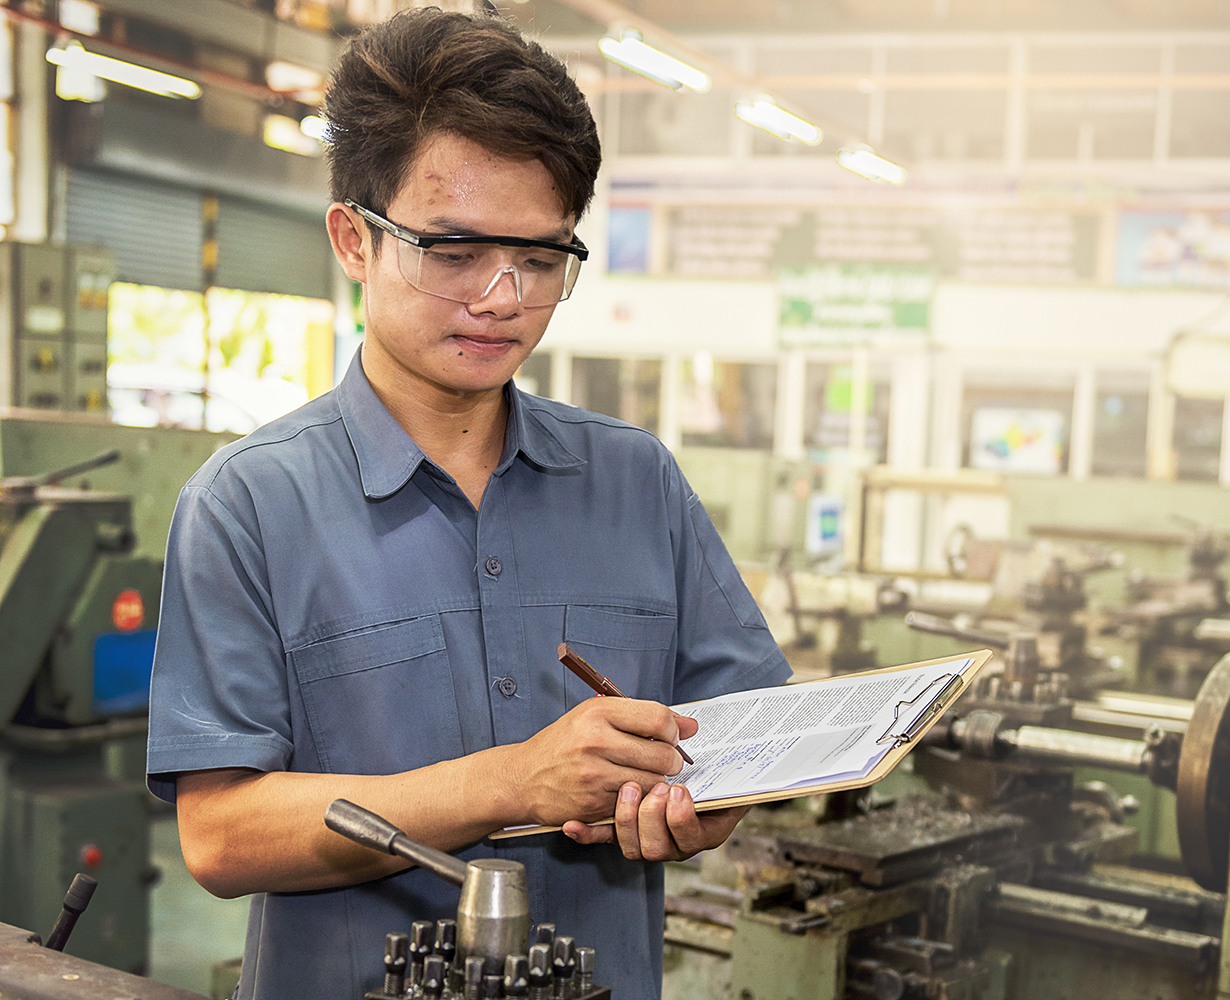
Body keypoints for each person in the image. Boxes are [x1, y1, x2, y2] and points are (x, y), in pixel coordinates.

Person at [145, 10, 790, 1000]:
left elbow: (741, 738)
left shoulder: (636, 482)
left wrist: (700, 806)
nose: (500, 296)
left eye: (538, 260)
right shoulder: (249, 505)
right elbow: (221, 836)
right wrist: (510, 781)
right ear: (353, 239)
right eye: (454, 252)